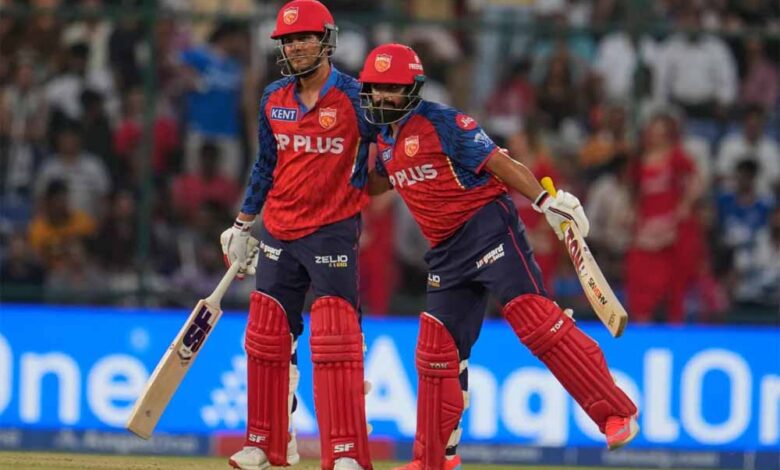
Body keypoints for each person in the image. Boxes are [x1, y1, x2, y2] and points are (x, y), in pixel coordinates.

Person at [359, 44, 639, 470]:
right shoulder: (383, 138)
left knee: (536, 323)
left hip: (487, 228)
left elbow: (500, 163)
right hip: (445, 252)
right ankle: (433, 460)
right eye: (376, 88)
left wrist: (545, 202)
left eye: (392, 88)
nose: (382, 96)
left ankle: (616, 414)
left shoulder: (444, 122)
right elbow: (379, 182)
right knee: (436, 351)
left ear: (412, 89)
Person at [219, 2, 376, 470]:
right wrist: (242, 224)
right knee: (266, 336)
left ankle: (346, 450)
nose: (295, 47)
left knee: (336, 337)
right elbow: (265, 165)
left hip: (332, 231)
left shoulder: (356, 98)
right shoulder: (273, 97)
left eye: (304, 37)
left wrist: (368, 186)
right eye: (288, 40)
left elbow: (388, 151)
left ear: (326, 41)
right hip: (279, 230)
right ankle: (265, 444)